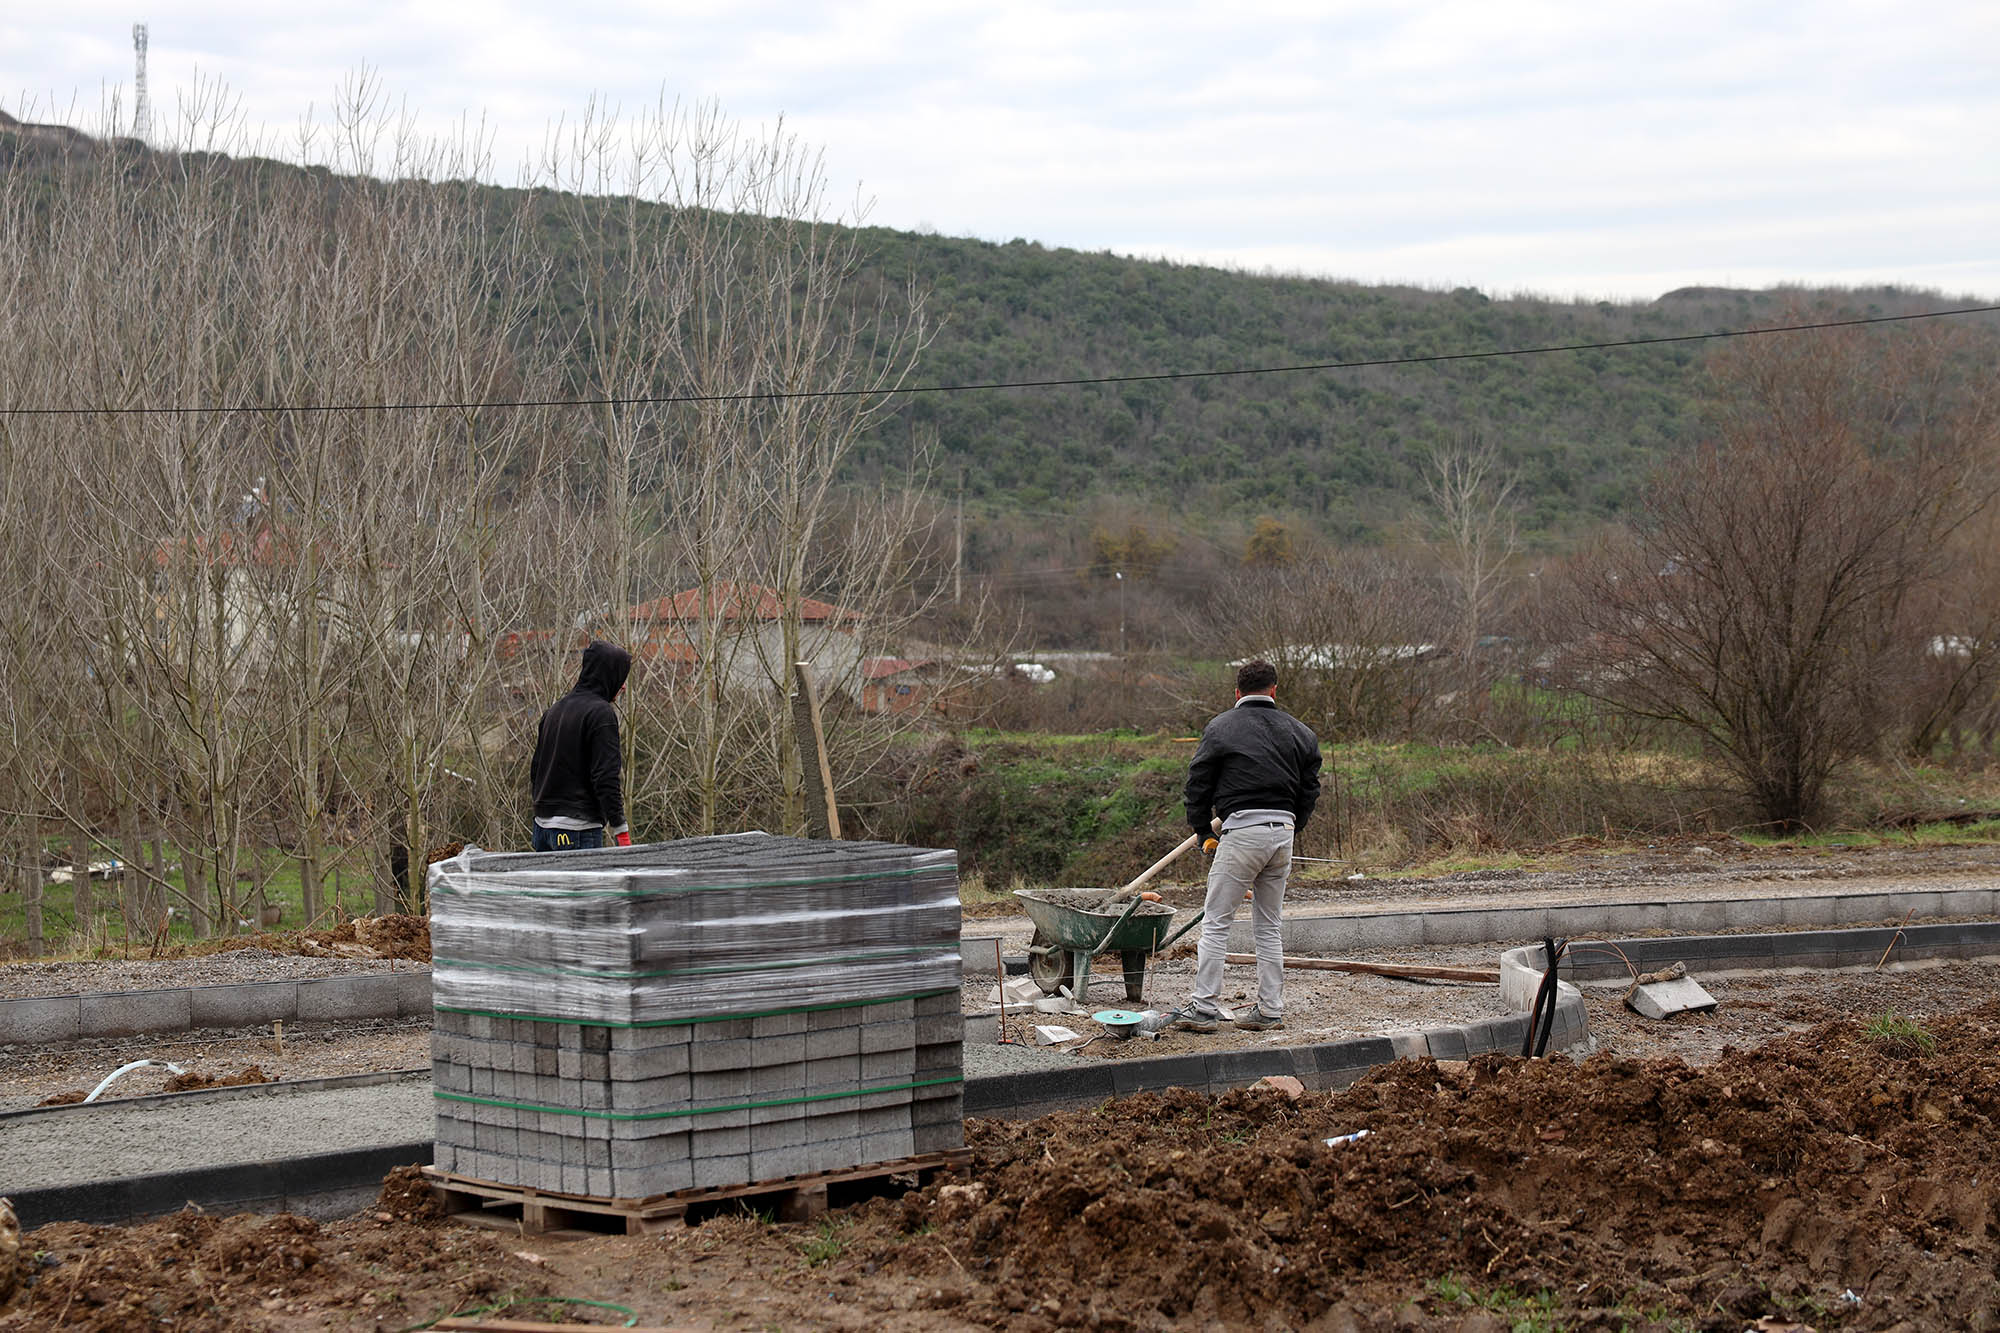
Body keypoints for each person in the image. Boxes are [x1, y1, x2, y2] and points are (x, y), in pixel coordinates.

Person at [1171, 659, 1322, 1032]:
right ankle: (1270, 1011)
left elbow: (1198, 783)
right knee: (1269, 926)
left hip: (1242, 831)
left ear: (1237, 693)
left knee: (1217, 922)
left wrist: (1203, 831)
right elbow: (1310, 788)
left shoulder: (1221, 728)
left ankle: (1204, 1008)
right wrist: (1293, 825)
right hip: (1282, 833)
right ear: (1274, 690)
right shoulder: (1301, 732)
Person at [529, 639, 633, 851]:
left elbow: (535, 770)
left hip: (542, 829)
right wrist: (621, 831)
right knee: (585, 885)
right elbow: (605, 777)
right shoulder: (601, 714)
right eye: (620, 677)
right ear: (607, 675)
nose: (622, 686)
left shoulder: (554, 711)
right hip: (576, 832)